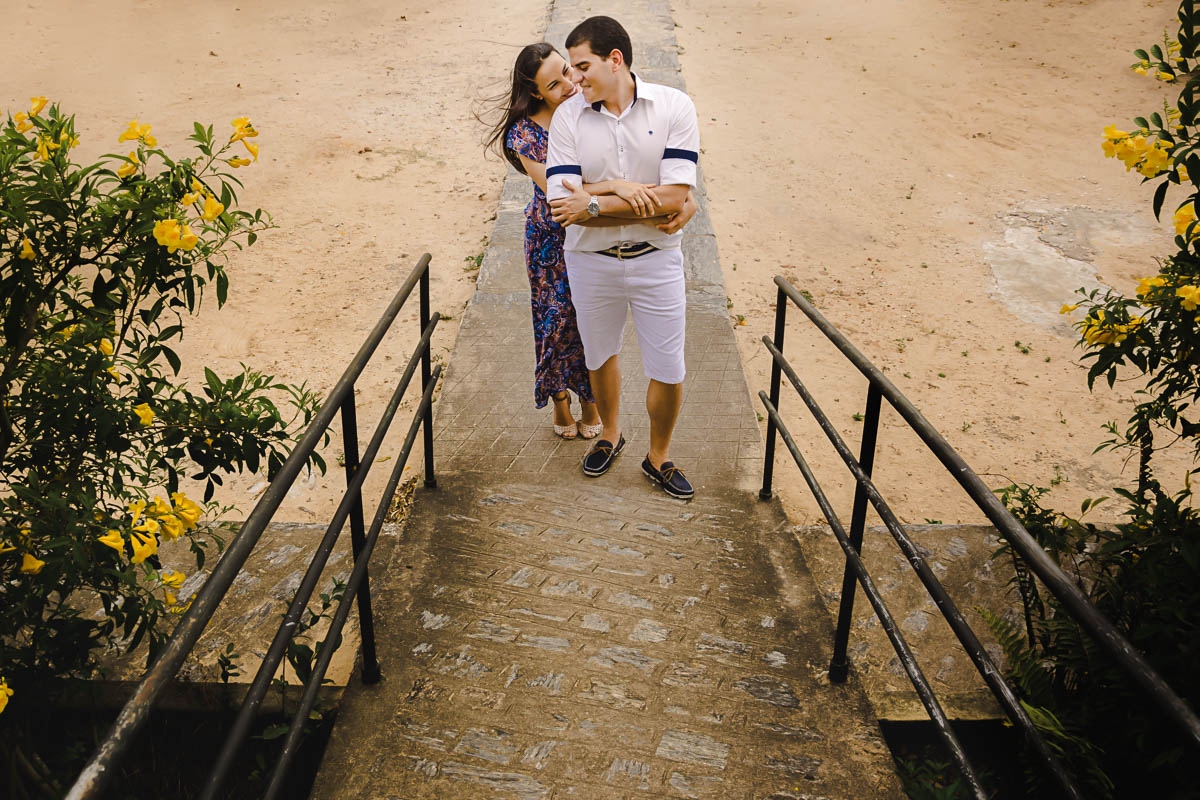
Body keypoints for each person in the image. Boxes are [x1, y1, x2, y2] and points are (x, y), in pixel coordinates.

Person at [485, 43, 695, 441]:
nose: (569, 83)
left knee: (589, 330)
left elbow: (636, 158)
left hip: (598, 228)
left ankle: (594, 410)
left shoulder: (588, 104)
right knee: (556, 321)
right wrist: (617, 187)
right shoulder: (525, 134)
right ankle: (560, 403)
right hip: (551, 235)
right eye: (555, 82)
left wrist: (684, 195)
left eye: (568, 71)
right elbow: (558, 190)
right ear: (535, 93)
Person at [546, 16, 701, 499]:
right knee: (600, 354)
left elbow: (676, 197)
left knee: (668, 366)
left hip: (658, 258)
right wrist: (629, 199)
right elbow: (561, 207)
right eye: (571, 71)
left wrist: (592, 202)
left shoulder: (674, 106)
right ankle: (611, 434)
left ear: (616, 60)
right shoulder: (570, 116)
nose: (574, 80)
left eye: (582, 66)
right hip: (590, 263)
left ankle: (659, 457)